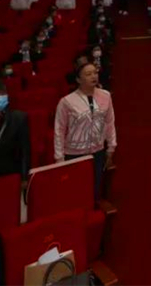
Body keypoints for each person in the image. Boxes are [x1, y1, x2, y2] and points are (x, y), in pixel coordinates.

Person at [54, 63, 117, 200]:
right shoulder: (66, 102)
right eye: (88, 74)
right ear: (78, 79)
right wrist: (59, 158)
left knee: (95, 190)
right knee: (76, 192)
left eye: (95, 73)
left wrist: (111, 147)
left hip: (98, 151)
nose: (93, 76)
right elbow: (59, 130)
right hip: (74, 154)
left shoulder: (105, 95)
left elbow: (110, 123)